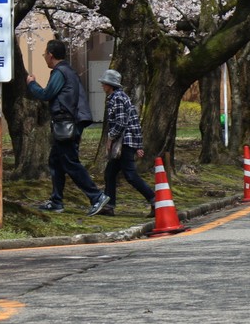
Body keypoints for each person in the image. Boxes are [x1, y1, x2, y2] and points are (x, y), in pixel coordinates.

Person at [28, 39, 110, 216]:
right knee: (56, 161)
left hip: (66, 124)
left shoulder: (60, 72)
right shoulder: (69, 71)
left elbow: (46, 94)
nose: (44, 57)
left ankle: (97, 197)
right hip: (68, 123)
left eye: (44, 54)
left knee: (70, 162)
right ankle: (56, 201)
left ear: (50, 55)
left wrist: (31, 83)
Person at [99, 69, 155, 216]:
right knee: (110, 173)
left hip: (123, 143)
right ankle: (109, 206)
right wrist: (138, 145)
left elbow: (121, 122)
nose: (102, 85)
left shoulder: (116, 98)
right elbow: (134, 121)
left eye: (104, 83)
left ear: (110, 85)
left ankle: (154, 199)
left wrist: (110, 137)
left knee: (130, 175)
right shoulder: (121, 96)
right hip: (128, 142)